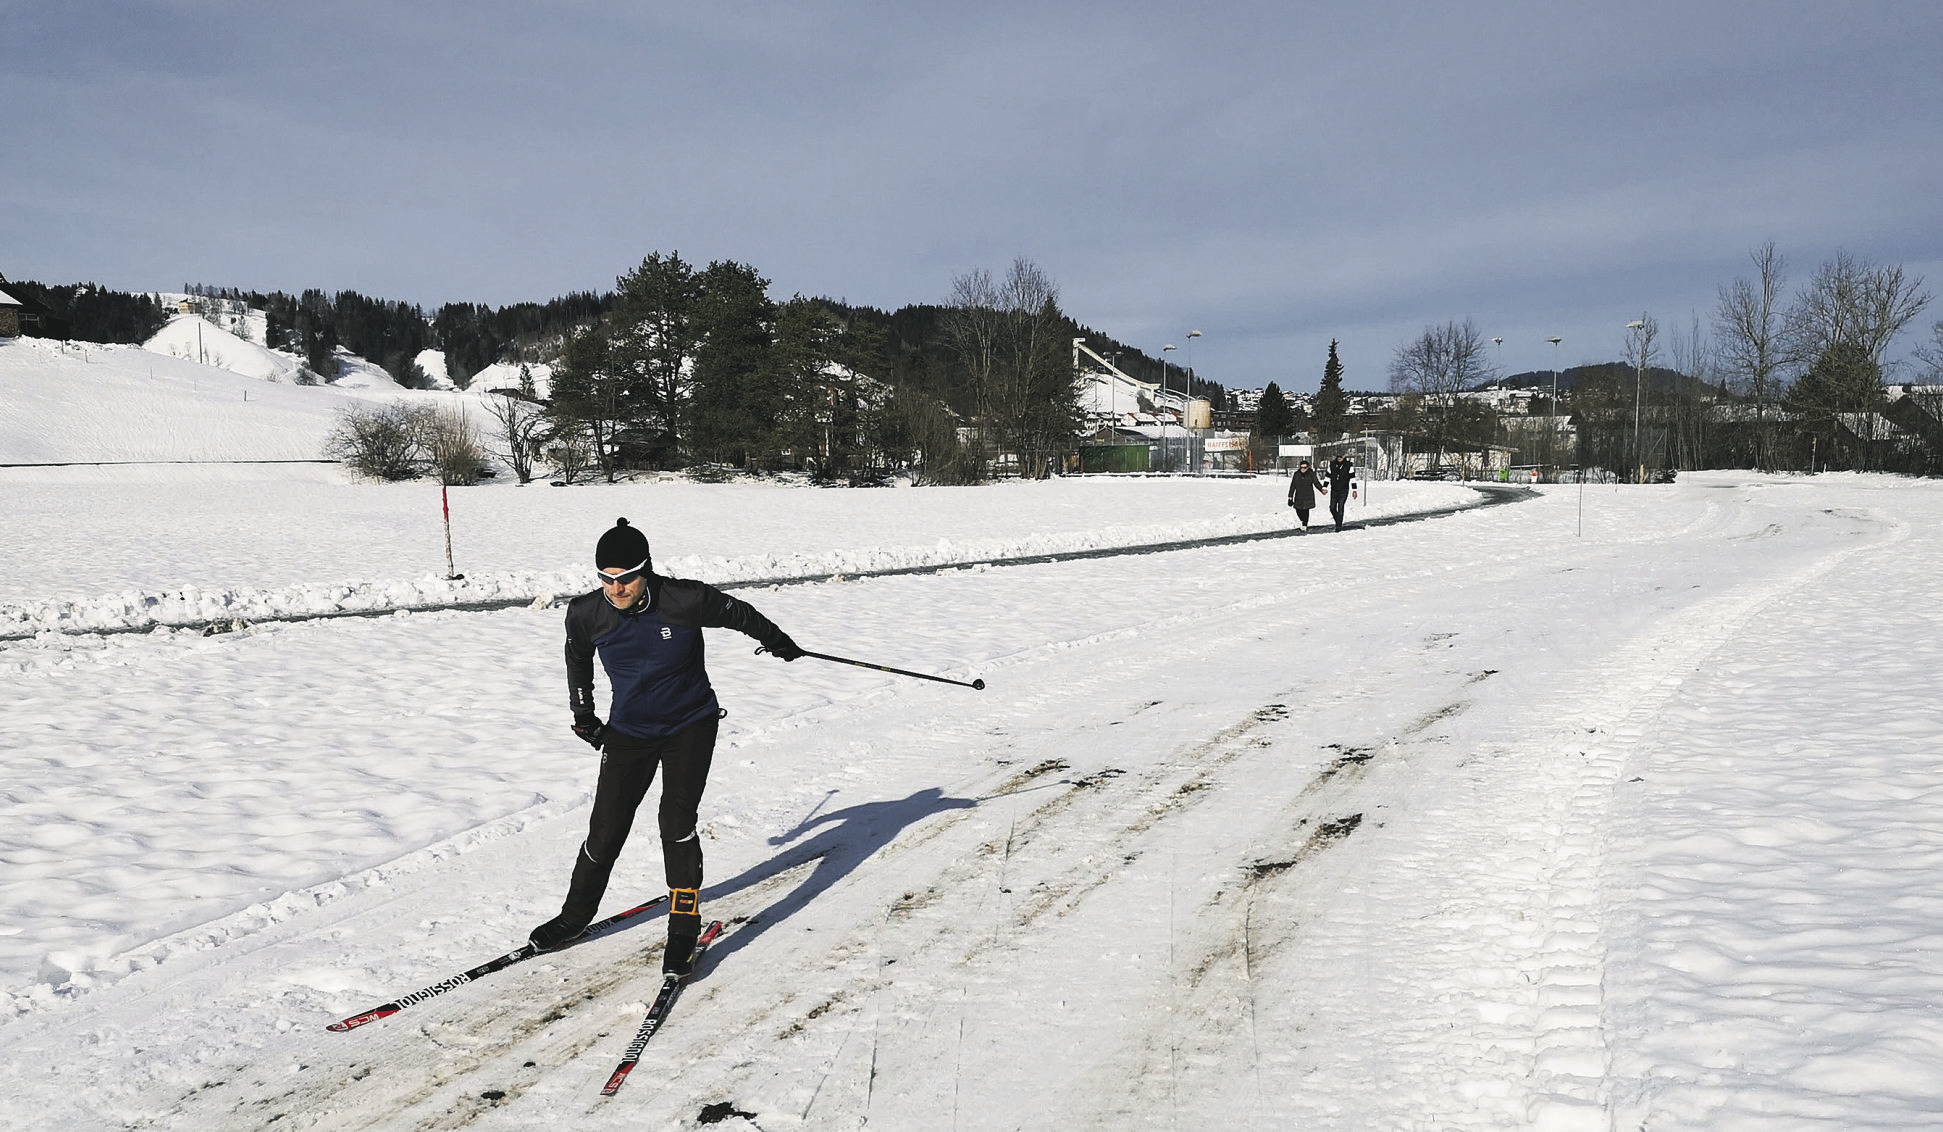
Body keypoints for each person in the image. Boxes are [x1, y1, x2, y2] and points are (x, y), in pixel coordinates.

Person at [531, 517, 804, 975]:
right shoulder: (585, 613)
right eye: (606, 579)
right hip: (629, 731)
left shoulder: (685, 599)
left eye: (626, 579)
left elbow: (739, 613)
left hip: (689, 725)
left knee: (675, 821)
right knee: (606, 829)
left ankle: (683, 928)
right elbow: (577, 657)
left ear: (647, 570)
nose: (615, 590)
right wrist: (583, 713)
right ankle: (574, 917)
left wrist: (777, 641)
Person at [1286, 457, 1326, 530]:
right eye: (1301, 467)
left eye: (1304, 467)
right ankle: (1302, 520)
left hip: (1308, 495)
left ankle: (1305, 524)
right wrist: (1290, 497)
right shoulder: (1296, 474)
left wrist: (1321, 489)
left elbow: (1316, 483)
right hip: (1299, 495)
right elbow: (1293, 485)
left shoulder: (1311, 474)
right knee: (1298, 509)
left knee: (1305, 510)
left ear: (1307, 467)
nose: (1303, 469)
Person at [1327, 454, 1354, 531]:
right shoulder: (1332, 465)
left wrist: (1354, 490)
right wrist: (1324, 487)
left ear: (1344, 457)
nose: (1339, 458)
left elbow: (1352, 478)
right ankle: (1338, 520)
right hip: (1334, 489)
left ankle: (1338, 525)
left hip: (1344, 489)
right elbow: (1327, 476)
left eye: (1341, 457)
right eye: (1338, 457)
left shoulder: (1349, 465)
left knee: (1340, 506)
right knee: (1332, 507)